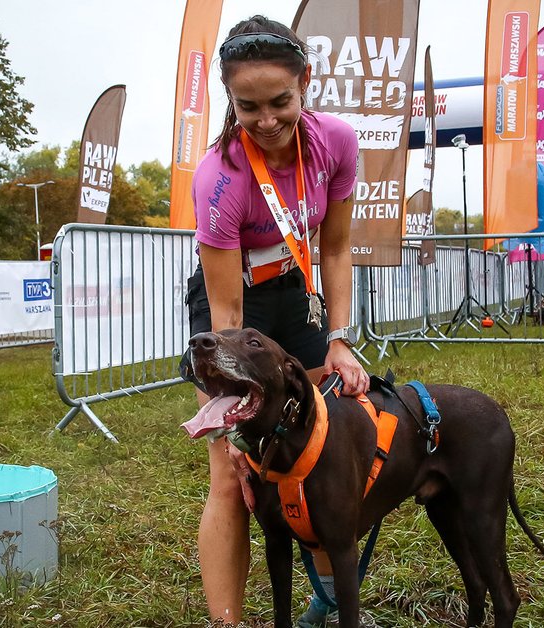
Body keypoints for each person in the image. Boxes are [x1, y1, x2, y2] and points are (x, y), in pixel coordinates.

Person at [185, 14, 368, 626]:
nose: (266, 121)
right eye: (248, 106)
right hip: (233, 307)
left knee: (318, 443)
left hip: (295, 293)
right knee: (232, 468)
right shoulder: (220, 179)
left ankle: (328, 594)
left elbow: (336, 247)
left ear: (305, 83)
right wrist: (233, 415)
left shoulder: (337, 142)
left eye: (280, 102)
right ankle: (228, 622)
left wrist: (340, 339)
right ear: (230, 102)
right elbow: (229, 319)